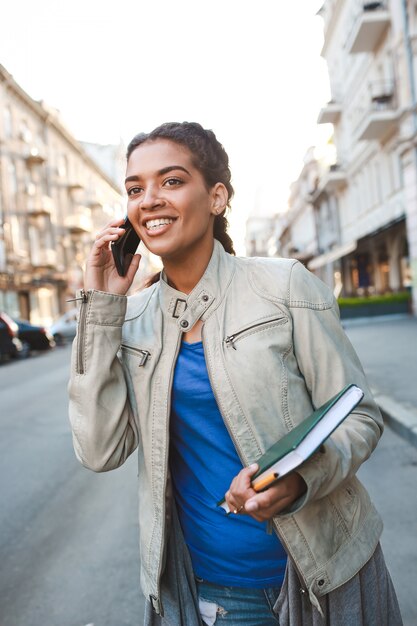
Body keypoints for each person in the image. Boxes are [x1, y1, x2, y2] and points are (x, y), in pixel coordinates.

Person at [68, 122, 402, 626]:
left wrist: (299, 481)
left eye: (172, 181)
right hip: (214, 589)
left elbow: (360, 416)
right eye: (135, 189)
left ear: (217, 196)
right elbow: (99, 450)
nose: (149, 200)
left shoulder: (285, 285)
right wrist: (101, 309)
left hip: (326, 571)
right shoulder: (130, 318)